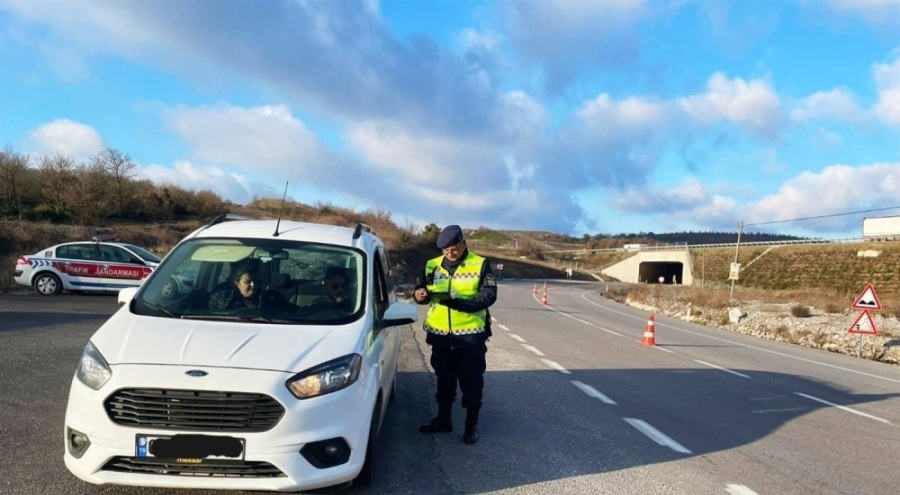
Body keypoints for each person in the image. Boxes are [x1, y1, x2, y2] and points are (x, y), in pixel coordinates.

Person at [412, 225, 497, 444]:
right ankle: (443, 419)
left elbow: (488, 296)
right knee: (444, 379)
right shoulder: (432, 265)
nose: (450, 253)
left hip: (470, 336)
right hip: (440, 335)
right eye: (445, 250)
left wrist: (460, 303)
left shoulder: (480, 264)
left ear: (463, 243)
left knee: (471, 381)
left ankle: (471, 424)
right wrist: (419, 296)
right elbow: (422, 290)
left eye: (454, 248)